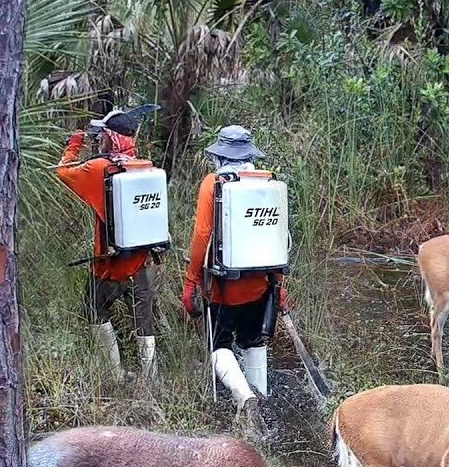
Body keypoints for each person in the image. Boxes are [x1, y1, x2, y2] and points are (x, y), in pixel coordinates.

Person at [181, 125, 287, 420]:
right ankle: (261, 403)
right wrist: (279, 285)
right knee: (254, 342)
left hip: (223, 287)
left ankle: (244, 397)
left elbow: (202, 234)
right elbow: (277, 236)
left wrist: (191, 281)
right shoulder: (267, 181)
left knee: (220, 344)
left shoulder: (212, 183)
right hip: (261, 284)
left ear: (221, 156)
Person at [56, 109, 159, 381]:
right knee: (144, 321)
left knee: (92, 310)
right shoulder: (144, 166)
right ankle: (150, 379)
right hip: (141, 263)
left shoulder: (100, 168)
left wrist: (76, 141)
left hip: (109, 266)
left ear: (110, 137)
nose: (100, 138)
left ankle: (115, 375)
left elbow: (63, 171)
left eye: (103, 133)